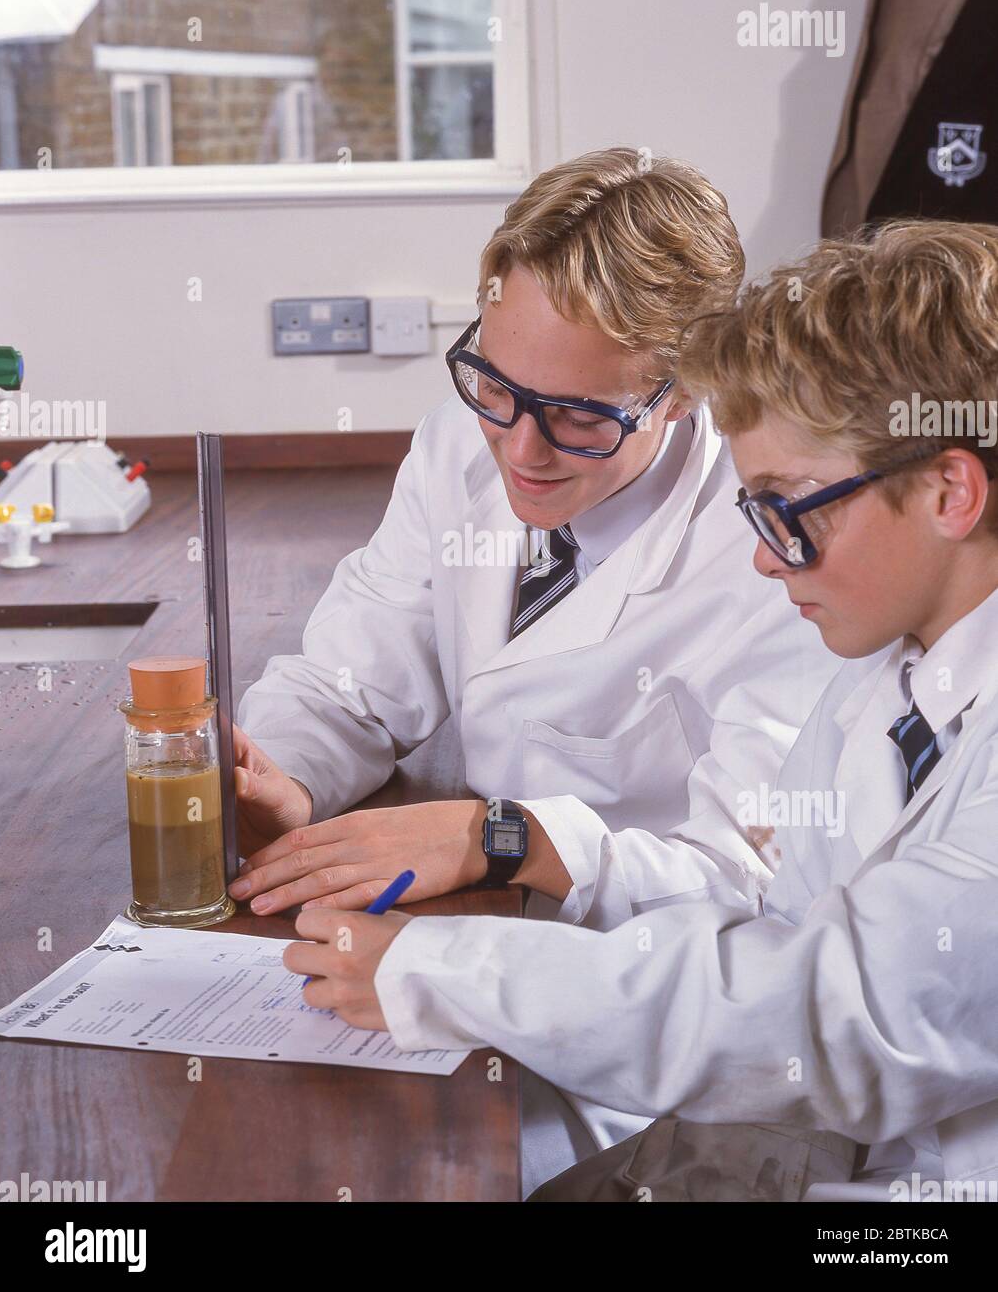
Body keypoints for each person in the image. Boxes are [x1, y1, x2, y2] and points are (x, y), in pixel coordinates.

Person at [284, 220, 998, 1201]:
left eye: (790, 511)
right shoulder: (885, 679)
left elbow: (834, 1016)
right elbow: (768, 929)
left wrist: (447, 970)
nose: (762, 556)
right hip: (808, 1151)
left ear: (949, 489)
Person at [234, 147, 839, 1193]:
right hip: (449, 946)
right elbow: (358, 667)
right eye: (495, 386)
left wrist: (504, 835)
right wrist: (280, 769)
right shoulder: (469, 441)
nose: (521, 448)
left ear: (684, 394)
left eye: (579, 415)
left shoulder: (774, 559)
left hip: (625, 1022)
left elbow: (752, 885)